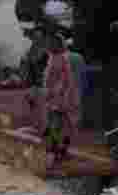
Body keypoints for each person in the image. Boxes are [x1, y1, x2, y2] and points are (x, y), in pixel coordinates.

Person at [43, 33, 79, 172]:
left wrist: (56, 95)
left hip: (60, 99)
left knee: (57, 127)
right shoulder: (53, 58)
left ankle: (52, 156)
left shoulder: (60, 59)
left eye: (51, 43)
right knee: (63, 126)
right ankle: (60, 152)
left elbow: (65, 80)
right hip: (56, 98)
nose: (49, 45)